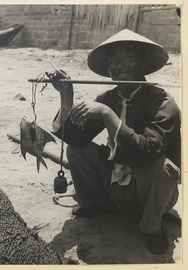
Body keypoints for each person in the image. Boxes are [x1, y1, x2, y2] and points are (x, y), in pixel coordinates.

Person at [49, 29, 181, 255]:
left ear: (142, 63)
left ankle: (152, 228)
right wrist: (66, 95)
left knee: (163, 167)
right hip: (115, 186)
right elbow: (75, 138)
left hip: (151, 194)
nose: (120, 66)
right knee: (77, 150)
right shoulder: (108, 98)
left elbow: (146, 153)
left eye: (127, 58)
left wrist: (108, 115)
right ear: (108, 68)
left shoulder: (163, 102)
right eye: (113, 60)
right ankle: (99, 205)